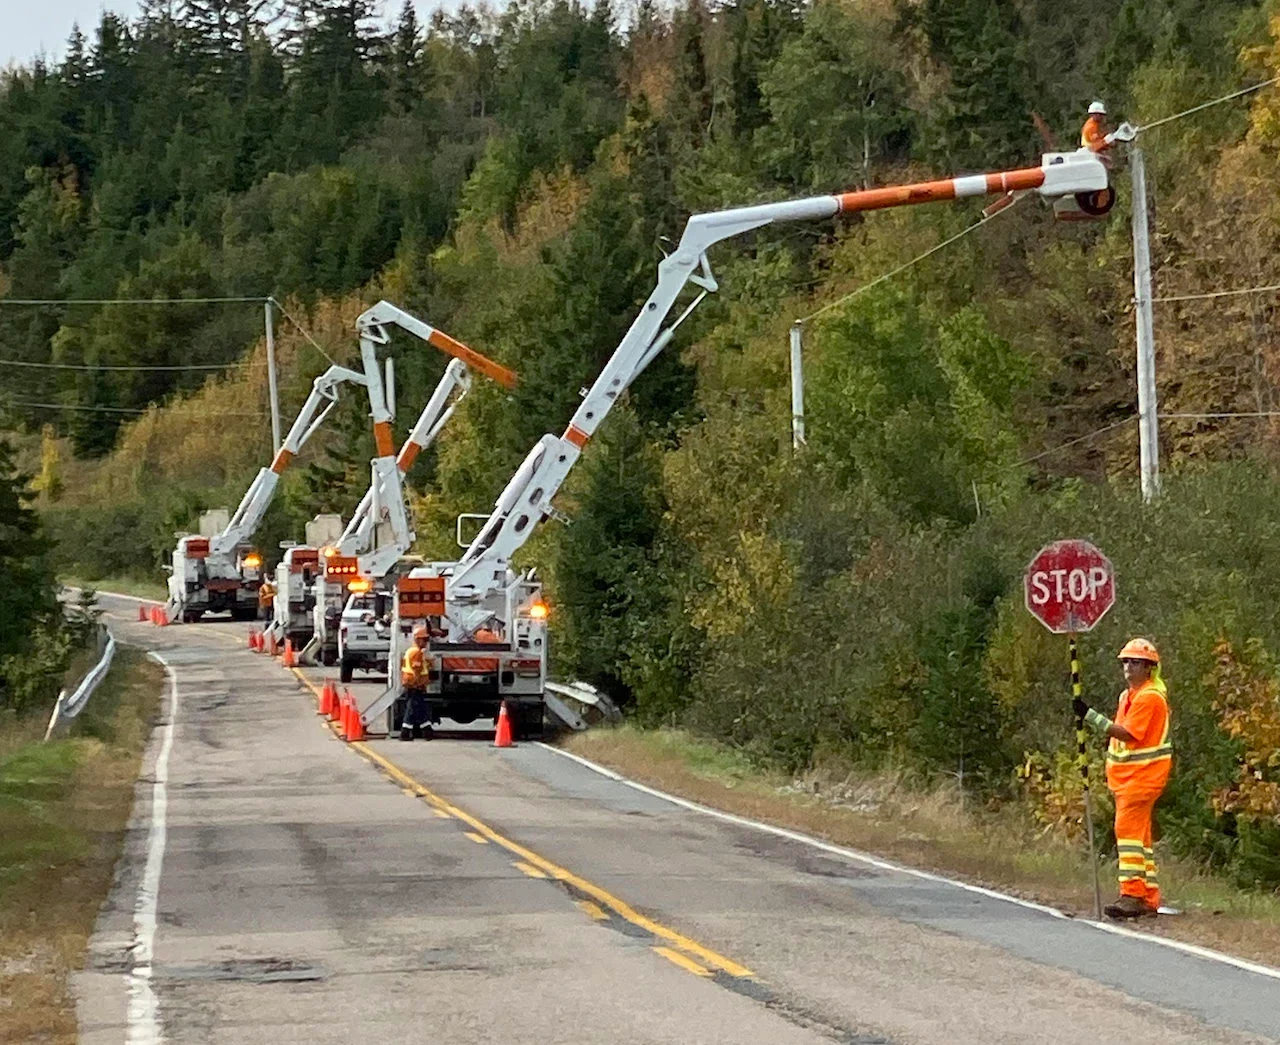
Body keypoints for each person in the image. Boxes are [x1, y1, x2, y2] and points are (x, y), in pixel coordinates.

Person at [1074, 637, 1173, 919]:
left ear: (1149, 668)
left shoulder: (1150, 698)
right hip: (1128, 778)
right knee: (1139, 839)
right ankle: (1148, 896)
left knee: (1128, 835)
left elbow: (1127, 733)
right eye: (1126, 662)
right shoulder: (1128, 696)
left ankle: (1132, 895)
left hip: (1142, 778)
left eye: (1135, 662)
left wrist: (1090, 716)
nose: (1128, 667)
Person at [399, 624, 435, 741]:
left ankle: (427, 731)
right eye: (424, 640)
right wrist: (418, 684)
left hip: (412, 684)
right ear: (418, 640)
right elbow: (417, 670)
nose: (426, 642)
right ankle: (405, 732)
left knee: (420, 709)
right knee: (412, 708)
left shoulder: (412, 651)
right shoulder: (416, 653)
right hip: (415, 685)